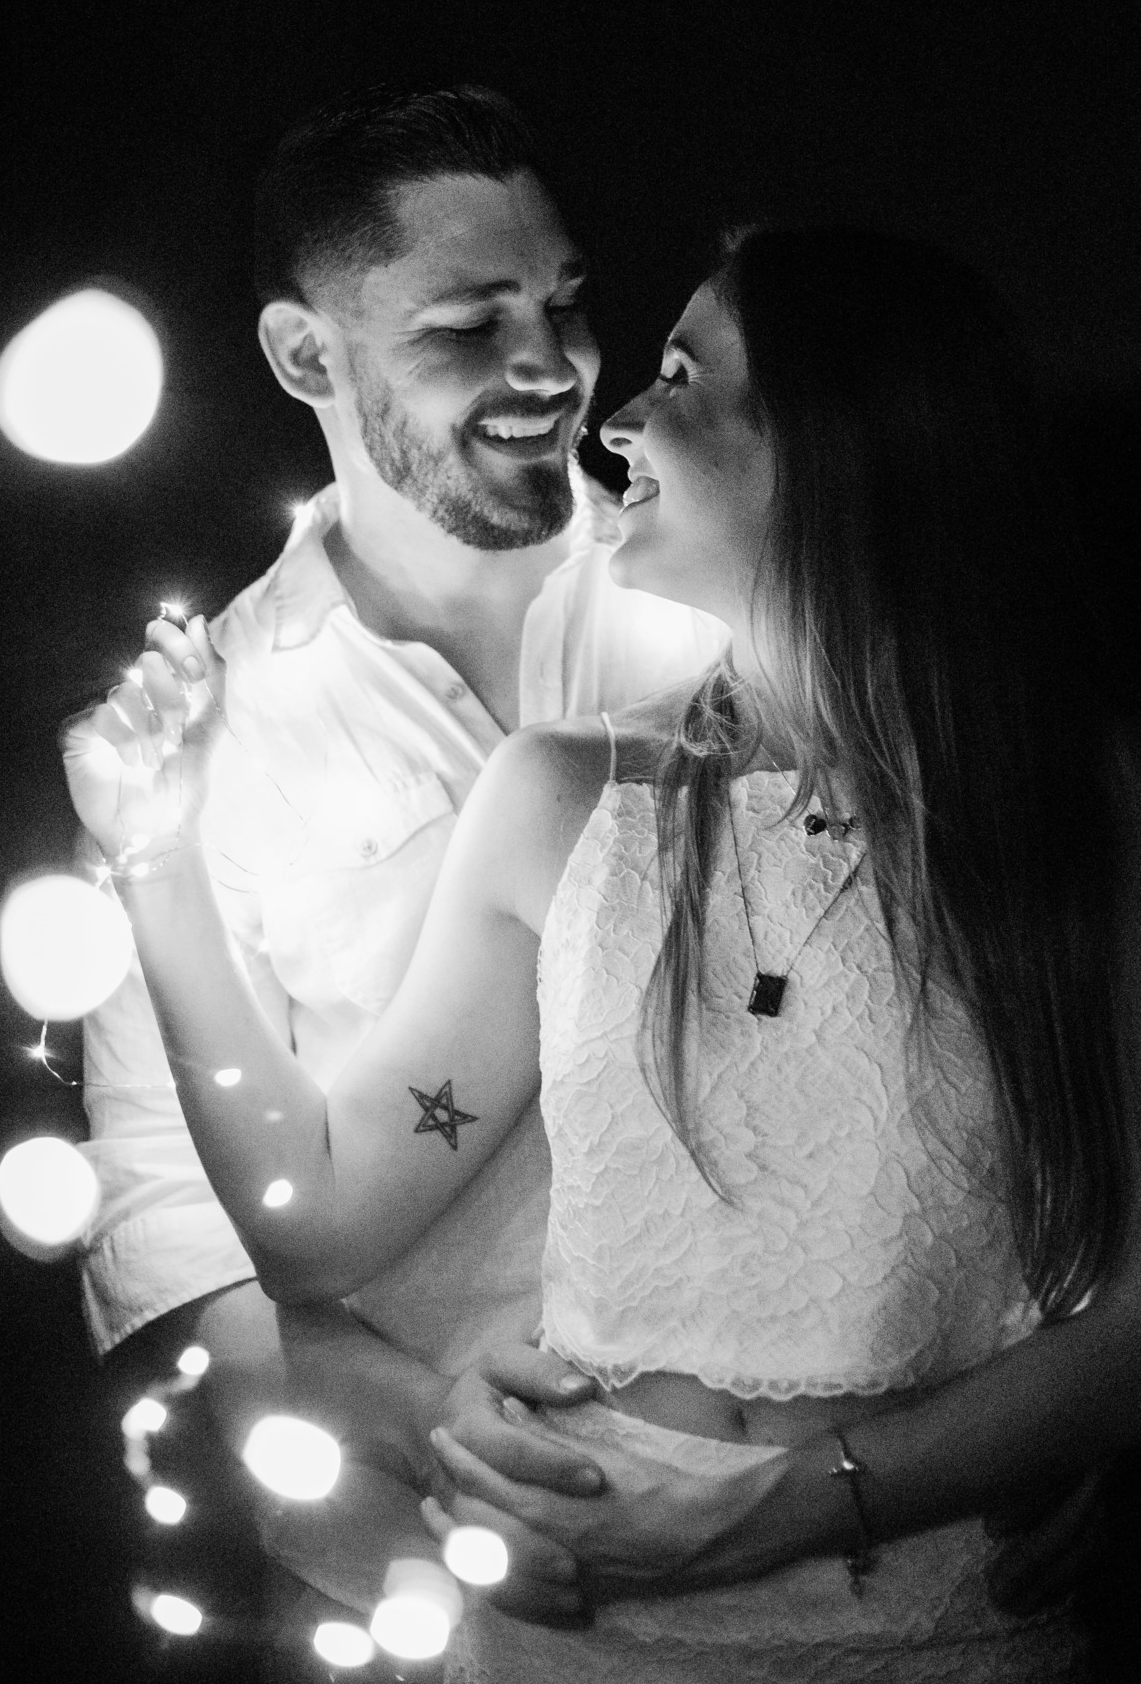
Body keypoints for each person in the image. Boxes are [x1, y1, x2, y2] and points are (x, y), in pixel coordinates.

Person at [63, 224, 1141, 1679]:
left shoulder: (1090, 804)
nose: (615, 417)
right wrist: (153, 862)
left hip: (938, 1622)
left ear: (835, 437)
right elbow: (319, 1218)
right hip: (583, 1627)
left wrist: (792, 1509)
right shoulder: (560, 796)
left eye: (681, 375)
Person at [77, 82, 724, 1617]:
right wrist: (441, 1437)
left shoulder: (727, 605)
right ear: (308, 355)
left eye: (563, 304)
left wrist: (1009, 1409)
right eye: (466, 326)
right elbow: (176, 1234)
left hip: (822, 1526)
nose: (551, 367)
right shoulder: (199, 736)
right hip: (417, 1583)